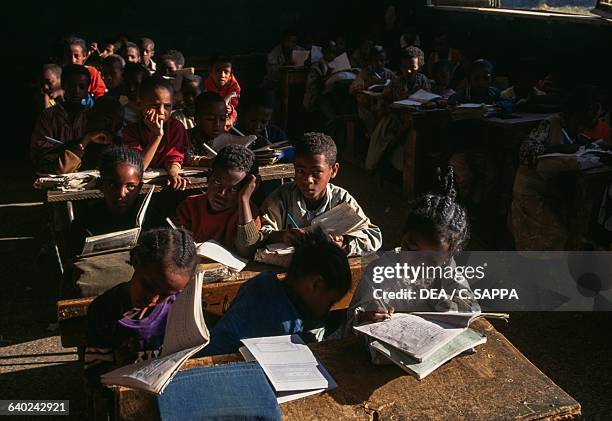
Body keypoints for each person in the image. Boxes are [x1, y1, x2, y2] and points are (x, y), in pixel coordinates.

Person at [348, 167, 478, 328]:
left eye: (431, 260)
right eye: (411, 249)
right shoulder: (380, 271)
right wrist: (365, 316)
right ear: (402, 236)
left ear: (447, 258)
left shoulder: (447, 271)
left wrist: (439, 299)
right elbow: (352, 321)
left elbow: (470, 308)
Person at [203, 229, 351, 355]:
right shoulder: (284, 324)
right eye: (330, 301)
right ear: (316, 284)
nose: (327, 309)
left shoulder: (263, 281)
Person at [84, 227, 198, 381]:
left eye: (165, 295)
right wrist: (121, 367)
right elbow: (95, 374)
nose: (153, 300)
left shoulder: (180, 306)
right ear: (136, 262)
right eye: (149, 286)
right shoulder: (104, 310)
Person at [512, 88, 605, 250]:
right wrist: (558, 149)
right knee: (553, 234)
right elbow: (525, 152)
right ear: (573, 112)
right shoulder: (550, 123)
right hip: (531, 190)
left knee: (575, 228)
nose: (583, 125)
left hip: (552, 190)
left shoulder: (576, 129)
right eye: (583, 118)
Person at [260, 132, 382, 255]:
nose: (308, 180)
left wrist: (343, 243)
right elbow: (259, 233)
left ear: (333, 170)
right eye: (301, 171)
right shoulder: (282, 197)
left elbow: (373, 236)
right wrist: (282, 236)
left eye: (316, 172)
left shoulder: (341, 199)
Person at [175, 144, 261, 257]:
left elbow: (247, 250)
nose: (222, 193)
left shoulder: (248, 214)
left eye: (234, 189)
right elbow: (176, 245)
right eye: (217, 182)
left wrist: (244, 200)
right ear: (209, 176)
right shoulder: (190, 206)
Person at [68, 147, 151, 256]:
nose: (121, 193)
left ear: (139, 188)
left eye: (130, 186)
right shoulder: (84, 224)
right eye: (113, 185)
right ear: (100, 184)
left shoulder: (149, 221)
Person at [365, 47, 431, 172]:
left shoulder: (423, 81)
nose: (408, 70)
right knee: (393, 138)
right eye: (404, 67)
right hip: (395, 120)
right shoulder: (395, 83)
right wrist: (393, 104)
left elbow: (428, 97)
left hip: (417, 118)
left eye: (413, 67)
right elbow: (382, 103)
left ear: (420, 67)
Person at [122, 77, 189, 190]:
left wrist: (173, 172)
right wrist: (157, 136)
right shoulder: (131, 131)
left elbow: (174, 158)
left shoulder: (176, 127)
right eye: (154, 106)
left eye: (167, 106)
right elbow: (137, 168)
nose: (161, 112)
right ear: (139, 104)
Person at [31, 64, 91, 172]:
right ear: (63, 85)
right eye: (71, 86)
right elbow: (39, 153)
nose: (76, 91)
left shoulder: (91, 116)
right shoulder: (48, 116)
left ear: (88, 88)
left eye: (81, 87)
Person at [55, 96, 124, 174]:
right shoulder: (75, 146)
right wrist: (86, 140)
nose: (111, 129)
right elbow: (62, 172)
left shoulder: (119, 148)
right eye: (106, 121)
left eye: (117, 126)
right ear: (91, 116)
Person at [349, 45, 395, 137]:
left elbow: (397, 83)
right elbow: (352, 89)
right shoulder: (365, 73)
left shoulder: (388, 73)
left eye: (382, 60)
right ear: (370, 61)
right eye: (376, 60)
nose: (379, 63)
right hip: (368, 106)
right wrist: (365, 85)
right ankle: (372, 134)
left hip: (383, 104)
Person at [184, 92, 227, 167]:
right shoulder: (185, 138)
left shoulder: (229, 140)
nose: (217, 124)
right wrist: (208, 162)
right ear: (197, 118)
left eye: (222, 119)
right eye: (211, 119)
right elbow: (183, 158)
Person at [204, 54, 241, 129]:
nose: (222, 75)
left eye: (226, 72)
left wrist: (230, 109)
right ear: (210, 70)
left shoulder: (234, 86)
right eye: (217, 71)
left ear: (231, 72)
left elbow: (234, 105)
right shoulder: (206, 85)